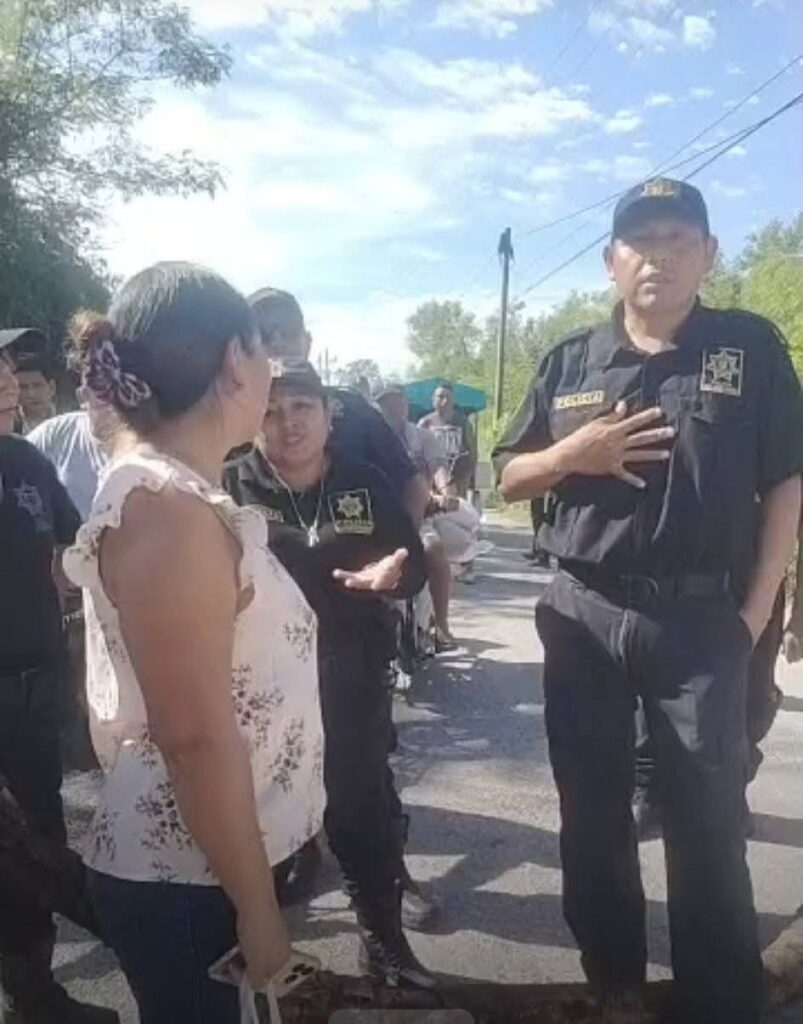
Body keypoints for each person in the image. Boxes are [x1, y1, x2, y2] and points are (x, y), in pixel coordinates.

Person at [494, 178, 803, 1024]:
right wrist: (573, 453)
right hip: (584, 614)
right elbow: (507, 474)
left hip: (703, 620)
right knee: (590, 817)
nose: (657, 254)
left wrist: (757, 608)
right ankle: (613, 986)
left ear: (707, 255)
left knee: (706, 825)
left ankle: (718, 1000)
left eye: (677, 237)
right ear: (610, 262)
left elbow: (785, 479)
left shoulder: (747, 346)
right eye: (639, 240)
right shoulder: (569, 360)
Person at [63, 263, 326, 1024]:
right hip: (189, 880)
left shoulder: (177, 490)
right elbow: (194, 738)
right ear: (236, 363)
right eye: (261, 352)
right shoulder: (164, 509)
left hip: (206, 864)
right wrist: (257, 910)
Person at [224, 360, 435, 987]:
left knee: (360, 809)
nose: (288, 425)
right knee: (252, 813)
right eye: (272, 410)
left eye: (302, 409)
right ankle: (250, 949)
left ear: (327, 414)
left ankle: (385, 946)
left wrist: (393, 576)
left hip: (351, 672)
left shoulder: (365, 483)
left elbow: (415, 564)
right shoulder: (229, 486)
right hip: (258, 683)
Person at [0, 340, 114, 1022]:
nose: (10, 382)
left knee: (39, 838)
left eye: (11, 373)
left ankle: (34, 993)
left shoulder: (28, 460)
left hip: (33, 686)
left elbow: (78, 544)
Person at [28, 327, 117, 772]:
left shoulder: (162, 442)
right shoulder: (52, 437)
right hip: (68, 611)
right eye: (87, 377)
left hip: (131, 609)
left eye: (106, 375)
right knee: (80, 721)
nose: (93, 389)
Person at [376, 383, 456, 649]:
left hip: (416, 517)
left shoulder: (423, 437)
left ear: (406, 404)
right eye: (385, 403)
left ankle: (442, 626)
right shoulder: (368, 438)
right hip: (376, 521)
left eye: (397, 401)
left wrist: (445, 493)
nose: (392, 408)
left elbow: (439, 469)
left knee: (433, 547)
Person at [418, 382, 477, 501]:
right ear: (433, 400)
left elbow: (473, 452)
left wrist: (468, 475)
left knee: (458, 512)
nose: (444, 401)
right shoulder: (425, 423)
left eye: (448, 397)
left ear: (453, 401)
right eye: (440, 397)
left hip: (459, 477)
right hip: (432, 478)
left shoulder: (463, 423)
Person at [14, 351, 58, 433]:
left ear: (52, 388)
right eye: (23, 387)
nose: (31, 394)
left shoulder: (67, 418)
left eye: (37, 385)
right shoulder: (9, 426)